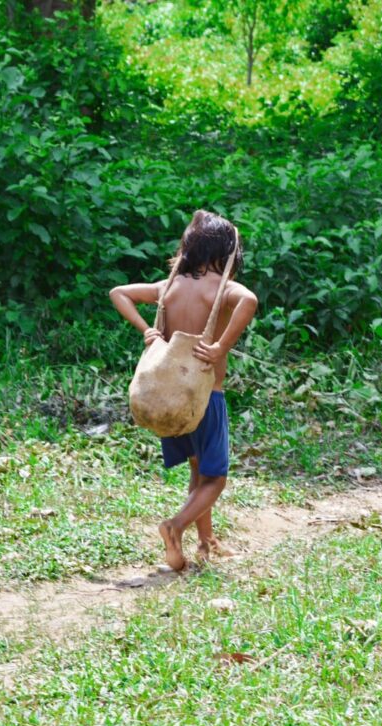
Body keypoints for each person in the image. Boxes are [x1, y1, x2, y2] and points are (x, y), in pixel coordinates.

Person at [110, 210, 258, 571]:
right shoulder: (219, 289)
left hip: (171, 398)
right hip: (207, 398)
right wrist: (221, 347)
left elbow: (119, 293)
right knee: (216, 478)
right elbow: (249, 300)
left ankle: (206, 541)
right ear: (225, 252)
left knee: (197, 471)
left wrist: (148, 330)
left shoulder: (169, 287)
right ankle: (175, 527)